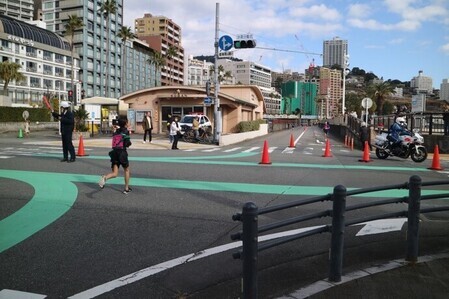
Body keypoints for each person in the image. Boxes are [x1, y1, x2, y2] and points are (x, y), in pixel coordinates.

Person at [98, 118, 133, 194]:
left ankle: (105, 177)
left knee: (115, 173)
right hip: (122, 153)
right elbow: (127, 143)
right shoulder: (125, 131)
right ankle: (126, 188)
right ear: (126, 123)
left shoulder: (116, 132)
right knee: (126, 170)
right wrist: (129, 141)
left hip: (114, 153)